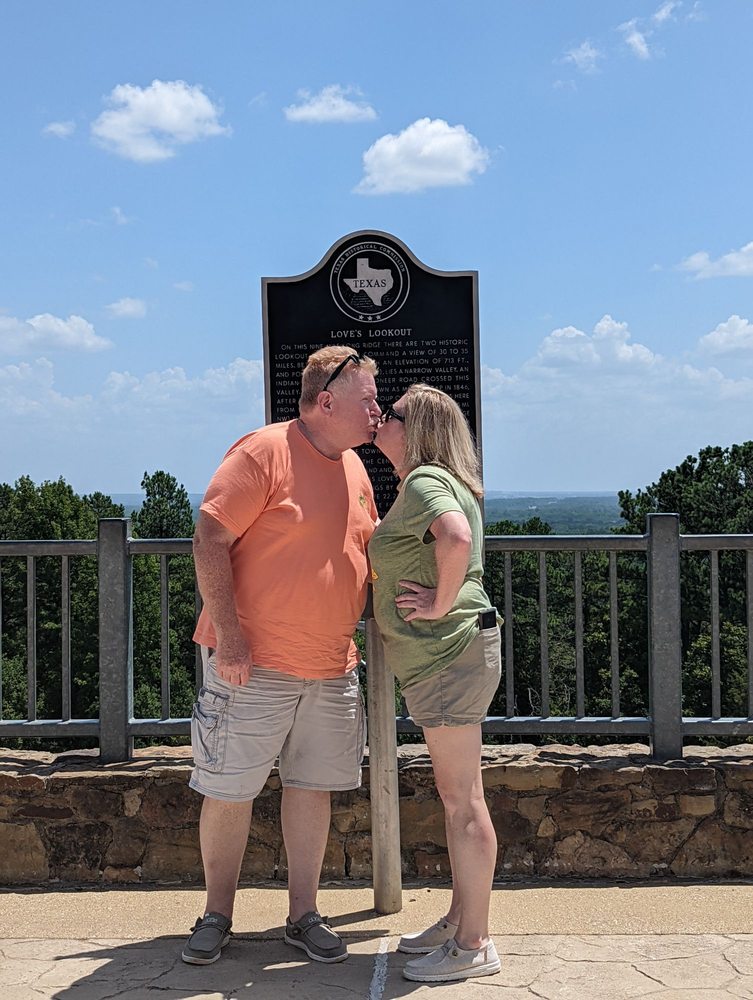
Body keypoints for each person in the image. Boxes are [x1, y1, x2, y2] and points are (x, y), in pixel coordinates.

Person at [182, 346, 381, 967]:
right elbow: (209, 537)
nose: (377, 407)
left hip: (331, 666)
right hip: (253, 662)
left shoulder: (355, 468)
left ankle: (303, 914)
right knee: (228, 789)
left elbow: (364, 557)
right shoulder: (263, 451)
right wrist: (231, 637)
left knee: (312, 789)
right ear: (327, 400)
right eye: (368, 397)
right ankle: (216, 914)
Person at [369, 383, 502, 984]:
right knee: (460, 798)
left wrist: (439, 603)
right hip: (452, 656)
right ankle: (458, 921)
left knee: (463, 802)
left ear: (415, 426)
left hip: (448, 656)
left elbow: (456, 539)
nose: (382, 418)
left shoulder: (425, 481)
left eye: (392, 413)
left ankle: (474, 944)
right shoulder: (439, 480)